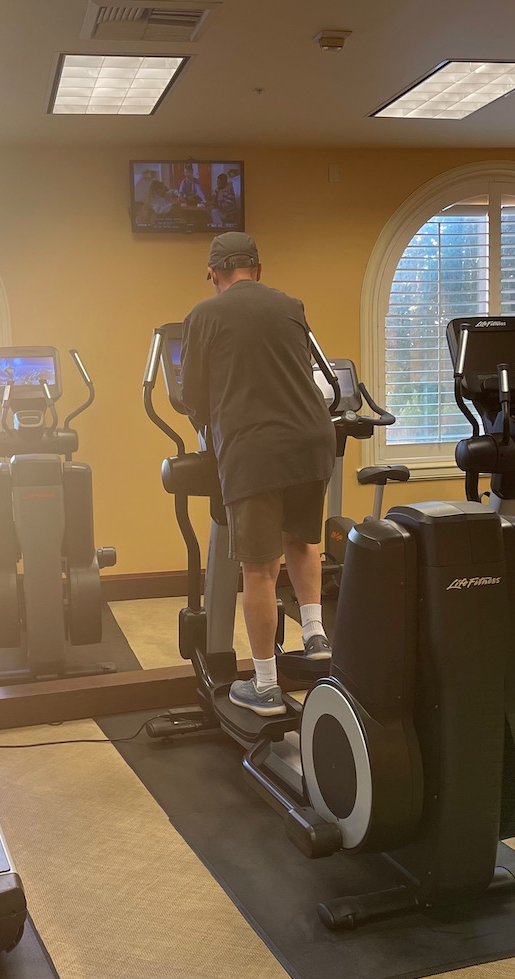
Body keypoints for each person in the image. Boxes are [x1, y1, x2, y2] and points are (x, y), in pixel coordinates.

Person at [181, 232, 336, 717]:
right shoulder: (291, 305)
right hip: (313, 440)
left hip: (254, 450)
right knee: (303, 541)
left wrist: (211, 418)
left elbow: (192, 397)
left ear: (214, 274)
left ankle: (265, 686)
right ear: (258, 270)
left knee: (258, 569)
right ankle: (315, 635)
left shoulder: (203, 316)